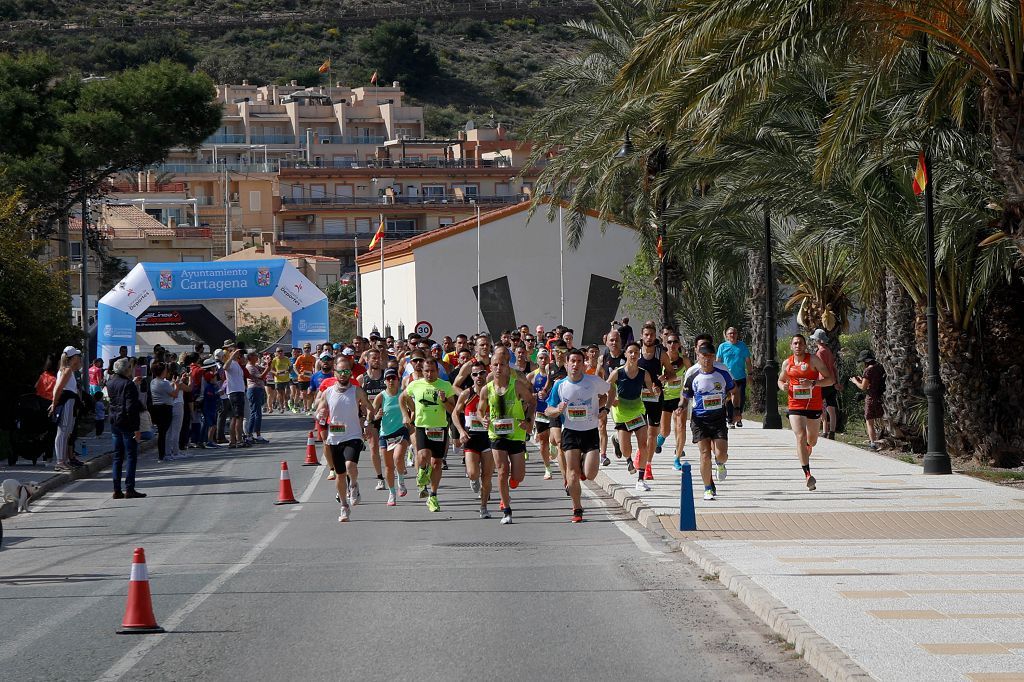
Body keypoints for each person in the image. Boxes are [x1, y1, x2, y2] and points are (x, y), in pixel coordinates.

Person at [545, 348, 611, 523]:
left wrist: (605, 409)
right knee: (571, 473)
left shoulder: (593, 381)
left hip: (590, 433)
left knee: (590, 474)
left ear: (583, 364)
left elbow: (610, 391)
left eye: (579, 361)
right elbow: (548, 409)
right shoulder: (560, 385)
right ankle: (577, 508)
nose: (575, 365)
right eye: (572, 361)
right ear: (566, 364)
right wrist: (556, 410)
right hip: (571, 433)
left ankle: (584, 467)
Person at [313, 356, 374, 522]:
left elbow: (369, 408)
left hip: (353, 435)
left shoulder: (357, 391)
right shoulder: (328, 392)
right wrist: (320, 415)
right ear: (335, 372)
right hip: (335, 437)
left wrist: (367, 422)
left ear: (350, 373)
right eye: (341, 371)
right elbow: (318, 411)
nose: (344, 374)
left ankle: (353, 484)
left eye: (347, 371)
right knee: (340, 475)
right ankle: (344, 506)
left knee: (350, 465)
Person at [478, 346, 535, 525]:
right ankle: (506, 508)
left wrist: (528, 421)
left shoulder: (516, 385)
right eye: (495, 364)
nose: (498, 368)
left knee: (518, 476)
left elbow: (532, 401)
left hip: (516, 433)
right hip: (496, 433)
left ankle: (511, 485)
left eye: (502, 364)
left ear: (507, 367)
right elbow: (480, 410)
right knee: (502, 470)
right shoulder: (486, 389)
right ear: (491, 367)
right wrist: (483, 420)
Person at [778, 334, 834, 490]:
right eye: (795, 343)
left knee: (812, 440)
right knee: (800, 435)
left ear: (805, 346)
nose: (798, 346)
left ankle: (808, 445)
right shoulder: (787, 363)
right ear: (791, 346)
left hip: (813, 405)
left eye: (801, 343)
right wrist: (782, 386)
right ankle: (808, 475)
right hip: (795, 405)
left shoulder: (814, 360)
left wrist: (813, 383)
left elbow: (830, 380)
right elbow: (780, 379)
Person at [682, 342, 735, 501]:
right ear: (698, 356)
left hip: (718, 418)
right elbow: (685, 397)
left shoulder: (722, 373)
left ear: (713, 357)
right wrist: (681, 408)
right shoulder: (693, 376)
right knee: (705, 454)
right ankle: (707, 488)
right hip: (699, 420)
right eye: (703, 356)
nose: (706, 359)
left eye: (709, 356)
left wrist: (736, 409)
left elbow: (733, 390)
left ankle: (720, 463)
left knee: (721, 454)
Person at [402, 358, 456, 512]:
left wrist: (444, 400)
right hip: (422, 426)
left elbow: (453, 410)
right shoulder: (415, 384)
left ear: (437, 371)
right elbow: (402, 398)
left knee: (437, 463)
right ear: (422, 371)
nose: (429, 373)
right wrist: (407, 414)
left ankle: (433, 495)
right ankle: (421, 472)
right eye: (426, 371)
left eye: (432, 371)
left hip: (440, 428)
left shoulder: (445, 385)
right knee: (423, 455)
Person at [607, 342, 658, 491]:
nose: (634, 355)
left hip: (637, 411)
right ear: (626, 354)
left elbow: (652, 391)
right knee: (625, 450)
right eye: (630, 352)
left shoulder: (644, 373)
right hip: (622, 413)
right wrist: (611, 398)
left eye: (636, 352)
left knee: (644, 445)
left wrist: (656, 391)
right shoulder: (618, 372)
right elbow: (605, 386)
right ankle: (619, 442)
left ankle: (640, 480)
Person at [454, 360, 496, 518]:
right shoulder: (467, 393)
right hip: (471, 438)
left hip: (489, 438)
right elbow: (454, 413)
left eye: (482, 373)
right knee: (473, 473)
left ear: (486, 373)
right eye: (475, 374)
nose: (479, 376)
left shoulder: (493, 392)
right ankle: (473, 479)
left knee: (487, 477)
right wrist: (460, 431)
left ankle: (483, 507)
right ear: (471, 376)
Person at [107, 357, 147, 499]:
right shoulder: (128, 384)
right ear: (126, 370)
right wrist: (136, 428)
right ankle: (130, 488)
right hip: (127, 423)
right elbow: (131, 407)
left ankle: (117, 489)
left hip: (114, 421)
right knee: (131, 456)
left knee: (117, 456)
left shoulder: (110, 382)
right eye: (130, 368)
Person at [372, 367, 410, 505]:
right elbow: (371, 414)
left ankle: (401, 481)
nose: (391, 381)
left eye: (393, 378)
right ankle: (392, 493)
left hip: (401, 430)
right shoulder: (381, 396)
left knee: (398, 457)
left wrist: (409, 419)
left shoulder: (403, 394)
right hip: (385, 433)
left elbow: (414, 408)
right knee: (388, 466)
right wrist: (377, 416)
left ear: (398, 380)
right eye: (388, 379)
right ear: (385, 381)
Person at [49, 346, 85, 472]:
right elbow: (58, 388)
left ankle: (63, 460)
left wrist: (54, 402)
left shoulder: (66, 370)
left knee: (66, 431)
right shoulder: (67, 370)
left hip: (69, 401)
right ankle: (60, 461)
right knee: (63, 431)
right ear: (72, 357)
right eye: (77, 356)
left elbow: (57, 388)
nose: (78, 358)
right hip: (66, 402)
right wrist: (54, 404)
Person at [660, 332, 691, 470]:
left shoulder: (684, 360)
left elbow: (692, 376)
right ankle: (658, 442)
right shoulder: (662, 359)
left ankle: (677, 458)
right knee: (665, 431)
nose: (672, 345)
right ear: (666, 344)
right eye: (670, 342)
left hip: (680, 398)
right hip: (665, 398)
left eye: (675, 342)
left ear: (679, 344)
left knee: (681, 427)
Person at [598, 330, 626, 465]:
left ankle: (616, 439)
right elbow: (599, 376)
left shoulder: (627, 356)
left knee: (626, 427)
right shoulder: (603, 358)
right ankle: (603, 455)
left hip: (624, 396)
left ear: (621, 342)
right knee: (601, 424)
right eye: (611, 340)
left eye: (616, 340)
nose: (614, 343)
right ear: (606, 342)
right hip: (607, 395)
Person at [716, 327, 752, 428]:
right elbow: (718, 361)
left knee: (740, 398)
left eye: (734, 333)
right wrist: (716, 374)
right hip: (727, 378)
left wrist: (750, 374)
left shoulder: (742, 346)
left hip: (740, 377)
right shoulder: (722, 347)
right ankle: (730, 419)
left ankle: (738, 418)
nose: (732, 335)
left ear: (737, 334)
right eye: (730, 333)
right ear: (726, 335)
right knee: (728, 399)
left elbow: (748, 361)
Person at [527, 350, 555, 480]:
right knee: (543, 441)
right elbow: (526, 394)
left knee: (555, 439)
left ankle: (554, 445)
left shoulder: (555, 374)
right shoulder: (532, 376)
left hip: (554, 411)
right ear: (537, 360)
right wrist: (534, 395)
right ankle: (547, 468)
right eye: (541, 358)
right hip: (540, 412)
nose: (543, 361)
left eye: (545, 358)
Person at [850, 350, 885, 450]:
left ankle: (873, 443)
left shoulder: (868, 370)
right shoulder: (879, 368)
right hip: (880, 397)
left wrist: (855, 381)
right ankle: (883, 439)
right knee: (882, 419)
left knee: (869, 422)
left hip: (871, 398)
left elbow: (863, 387)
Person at [810, 329, 839, 439]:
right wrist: (836, 381)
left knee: (821, 406)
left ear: (817, 340)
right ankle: (832, 432)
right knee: (831, 408)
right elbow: (833, 367)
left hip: (823, 382)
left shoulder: (820, 352)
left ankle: (825, 430)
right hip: (831, 381)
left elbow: (821, 368)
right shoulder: (829, 351)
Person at [148, 361, 176, 462]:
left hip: (156, 408)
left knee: (161, 432)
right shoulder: (164, 383)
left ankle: (162, 454)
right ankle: (163, 454)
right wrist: (177, 385)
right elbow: (174, 394)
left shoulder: (153, 382)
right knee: (164, 432)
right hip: (165, 408)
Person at [223, 345, 247, 448]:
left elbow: (245, 361)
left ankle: (233, 441)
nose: (237, 353)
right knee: (238, 417)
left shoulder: (237, 364)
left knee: (235, 417)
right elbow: (225, 367)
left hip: (238, 392)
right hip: (235, 393)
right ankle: (238, 440)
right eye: (234, 352)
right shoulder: (230, 363)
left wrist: (240, 355)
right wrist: (231, 356)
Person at [245, 351, 270, 444]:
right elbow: (261, 377)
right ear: (250, 357)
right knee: (256, 413)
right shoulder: (249, 367)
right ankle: (253, 435)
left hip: (258, 389)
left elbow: (266, 369)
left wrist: (269, 364)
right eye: (255, 356)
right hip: (254, 390)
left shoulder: (255, 366)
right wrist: (267, 368)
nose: (257, 357)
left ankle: (252, 435)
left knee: (256, 413)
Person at [270, 347, 292, 413]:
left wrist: (289, 371)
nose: (280, 352)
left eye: (281, 351)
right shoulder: (274, 360)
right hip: (278, 379)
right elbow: (271, 369)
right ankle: (282, 406)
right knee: (280, 394)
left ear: (283, 352)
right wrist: (275, 373)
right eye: (278, 351)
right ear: (276, 353)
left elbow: (291, 366)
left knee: (286, 393)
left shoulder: (286, 359)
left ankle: (285, 403)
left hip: (286, 379)